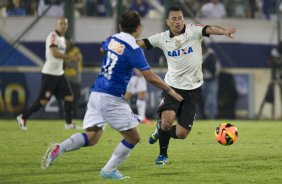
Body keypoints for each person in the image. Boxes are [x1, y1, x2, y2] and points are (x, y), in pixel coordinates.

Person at [41, 10, 183, 179]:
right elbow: (150, 77)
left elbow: (103, 49)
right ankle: (108, 170)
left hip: (96, 94)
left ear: (120, 26)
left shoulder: (112, 39)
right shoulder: (134, 49)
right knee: (133, 137)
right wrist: (170, 90)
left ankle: (59, 148)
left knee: (92, 137)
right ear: (138, 28)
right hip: (111, 97)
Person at [136, 6, 236, 165]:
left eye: (180, 18)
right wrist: (122, 45)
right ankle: (163, 155)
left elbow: (210, 29)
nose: (178, 21)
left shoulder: (193, 31)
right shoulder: (161, 38)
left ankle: (160, 130)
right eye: (174, 19)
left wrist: (223, 31)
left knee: (182, 133)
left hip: (194, 89)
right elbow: (141, 43)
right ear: (167, 22)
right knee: (167, 120)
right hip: (172, 87)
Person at [16, 17, 80, 130]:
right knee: (43, 101)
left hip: (59, 74)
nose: (63, 26)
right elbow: (54, 53)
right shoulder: (53, 36)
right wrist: (71, 57)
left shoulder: (62, 39)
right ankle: (23, 117)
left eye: (65, 24)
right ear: (56, 25)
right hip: (50, 74)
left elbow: (59, 58)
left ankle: (68, 123)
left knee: (69, 97)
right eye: (61, 24)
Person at [201, 41, 221, 119]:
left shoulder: (211, 54)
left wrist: (203, 65)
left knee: (212, 99)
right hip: (203, 80)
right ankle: (204, 115)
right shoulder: (198, 54)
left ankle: (212, 116)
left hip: (212, 79)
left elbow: (215, 68)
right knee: (204, 99)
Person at [64, 38, 83, 118]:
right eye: (65, 44)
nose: (66, 45)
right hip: (66, 77)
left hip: (75, 76)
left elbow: (75, 64)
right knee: (67, 96)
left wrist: (65, 60)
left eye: (67, 43)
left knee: (76, 96)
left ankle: (75, 114)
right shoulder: (63, 52)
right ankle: (66, 114)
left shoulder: (76, 50)